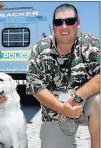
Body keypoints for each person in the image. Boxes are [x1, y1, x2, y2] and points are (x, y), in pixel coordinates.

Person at [26, 3, 99, 148]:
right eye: (59, 22)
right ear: (53, 26)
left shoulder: (91, 44)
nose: (64, 26)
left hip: (84, 104)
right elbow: (35, 86)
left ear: (78, 23)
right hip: (55, 112)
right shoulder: (40, 50)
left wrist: (77, 97)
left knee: (100, 102)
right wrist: (62, 108)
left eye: (70, 21)